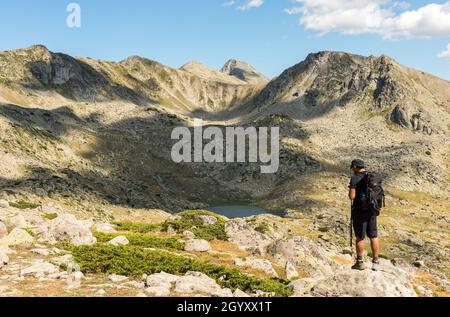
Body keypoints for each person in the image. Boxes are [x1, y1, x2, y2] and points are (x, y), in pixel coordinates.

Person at [348, 159, 380, 271]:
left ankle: (360, 262)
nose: (352, 170)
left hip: (360, 211)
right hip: (372, 210)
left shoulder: (355, 178)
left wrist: (352, 190)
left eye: (352, 167)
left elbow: (352, 196)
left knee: (360, 237)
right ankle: (376, 262)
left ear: (355, 167)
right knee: (373, 236)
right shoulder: (371, 177)